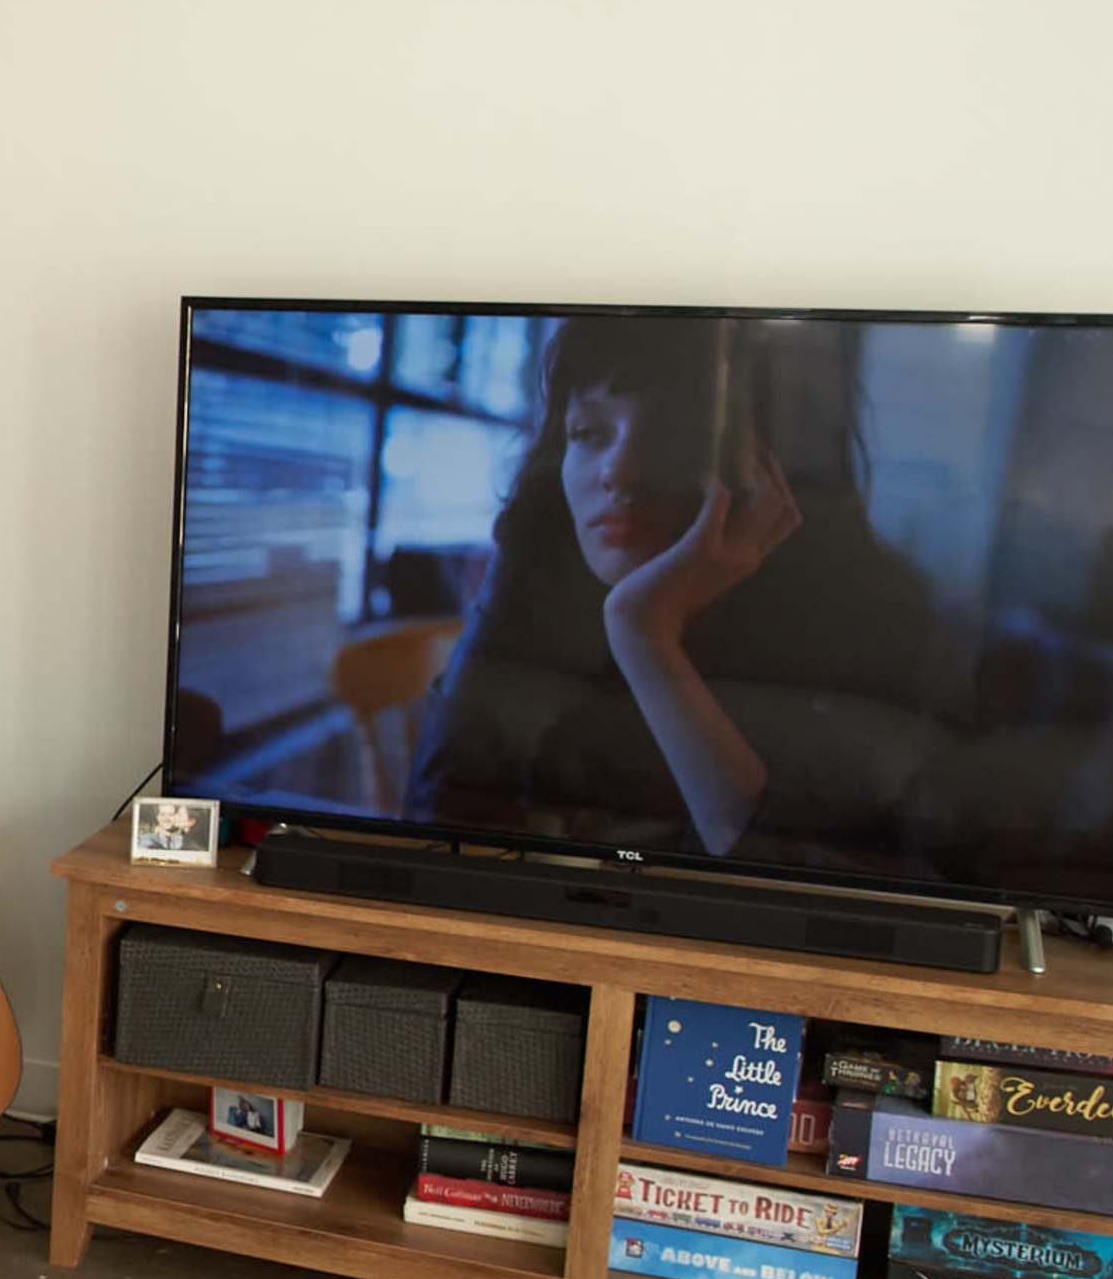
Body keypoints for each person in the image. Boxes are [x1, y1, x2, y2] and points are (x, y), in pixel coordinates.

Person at [405, 317, 947, 870]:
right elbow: (440, 830)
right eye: (588, 434)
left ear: (767, 471)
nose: (618, 472)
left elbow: (798, 894)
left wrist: (643, 636)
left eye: (670, 436)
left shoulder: (859, 628)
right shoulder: (540, 549)